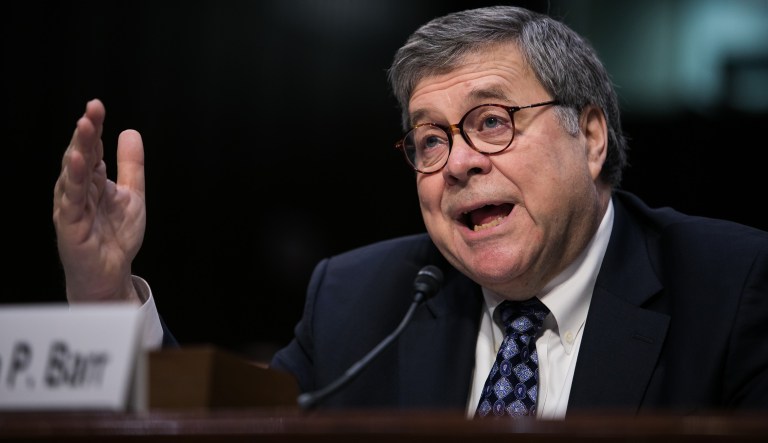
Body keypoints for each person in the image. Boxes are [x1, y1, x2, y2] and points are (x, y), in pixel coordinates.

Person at [53, 5, 768, 419]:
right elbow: (218, 427)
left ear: (590, 136)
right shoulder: (361, 297)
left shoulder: (731, 286)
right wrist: (106, 290)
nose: (457, 163)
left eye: (491, 122)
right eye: (430, 138)